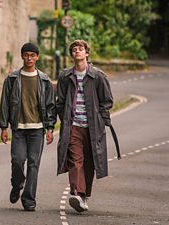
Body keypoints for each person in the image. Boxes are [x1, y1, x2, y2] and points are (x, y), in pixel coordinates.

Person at [56, 40, 114, 213]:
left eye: (80, 49)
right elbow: (60, 101)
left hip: (93, 127)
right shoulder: (65, 76)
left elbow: (107, 100)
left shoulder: (98, 76)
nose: (77, 51)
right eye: (74, 49)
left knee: (89, 162)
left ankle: (84, 195)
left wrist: (101, 119)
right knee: (75, 160)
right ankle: (76, 193)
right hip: (73, 125)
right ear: (72, 55)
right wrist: (64, 119)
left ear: (87, 53)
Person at [0, 43, 56, 211]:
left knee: (33, 164)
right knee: (17, 160)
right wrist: (3, 127)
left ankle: (29, 198)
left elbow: (50, 105)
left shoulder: (44, 80)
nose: (29, 58)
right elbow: (5, 104)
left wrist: (50, 129)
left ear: (37, 57)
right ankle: (17, 185)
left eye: (32, 55)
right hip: (18, 128)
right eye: (26, 55)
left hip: (37, 129)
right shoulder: (12, 78)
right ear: (22, 56)